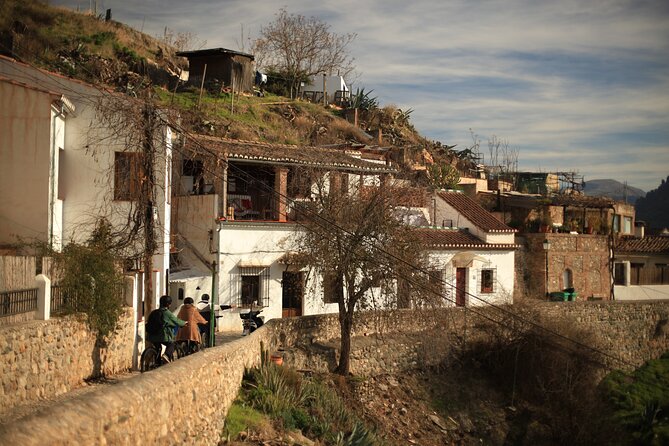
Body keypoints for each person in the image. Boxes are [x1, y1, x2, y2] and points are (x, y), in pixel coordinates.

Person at [148, 295, 186, 363]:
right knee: (172, 344)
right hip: (162, 336)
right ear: (168, 304)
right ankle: (166, 355)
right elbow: (176, 321)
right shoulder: (167, 313)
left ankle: (157, 363)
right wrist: (184, 323)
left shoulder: (154, 312)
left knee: (158, 348)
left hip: (151, 335)